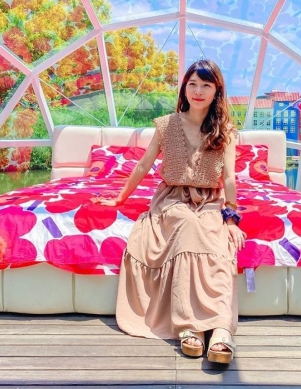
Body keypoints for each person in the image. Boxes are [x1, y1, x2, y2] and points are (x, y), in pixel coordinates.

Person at [94, 59, 245, 364]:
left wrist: (231, 219)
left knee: (219, 243)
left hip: (211, 201)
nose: (198, 91)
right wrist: (119, 199)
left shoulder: (226, 131)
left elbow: (229, 177)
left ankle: (220, 329)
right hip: (172, 198)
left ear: (216, 91)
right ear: (184, 88)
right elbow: (143, 164)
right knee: (187, 224)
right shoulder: (166, 125)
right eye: (192, 84)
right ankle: (189, 325)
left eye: (206, 85)